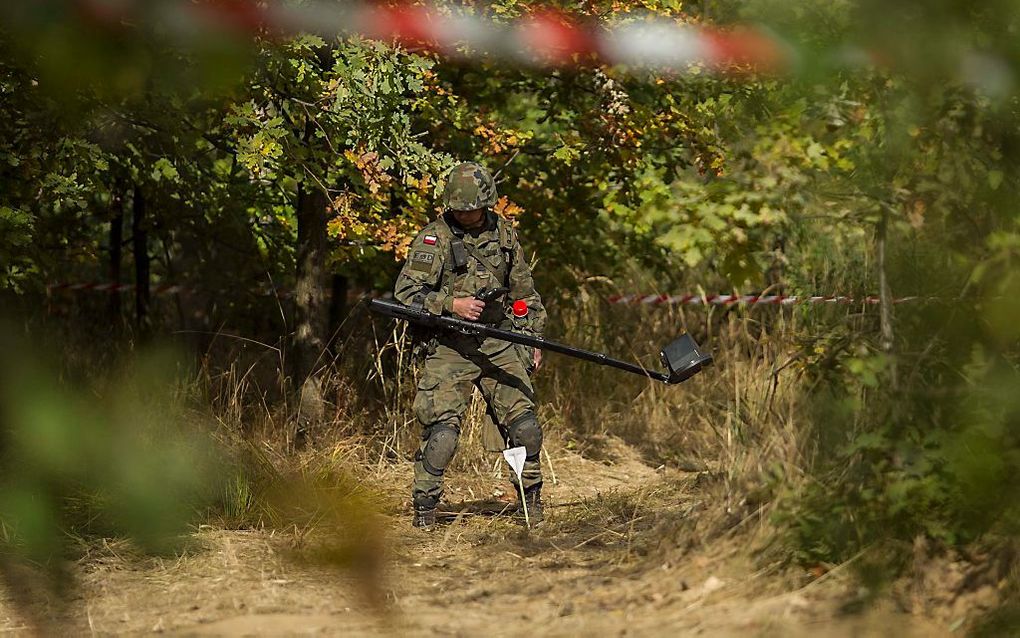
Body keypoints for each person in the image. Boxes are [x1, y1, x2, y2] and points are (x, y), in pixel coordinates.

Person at [393, 161, 547, 529]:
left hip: (498, 339)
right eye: (459, 209)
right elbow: (405, 292)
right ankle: (426, 506)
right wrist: (450, 305)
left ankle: (530, 501)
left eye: (472, 208)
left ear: (487, 203)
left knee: (525, 427)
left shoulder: (505, 235)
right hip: (449, 347)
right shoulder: (435, 238)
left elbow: (524, 294)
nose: (466, 214)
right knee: (442, 434)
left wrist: (531, 338)